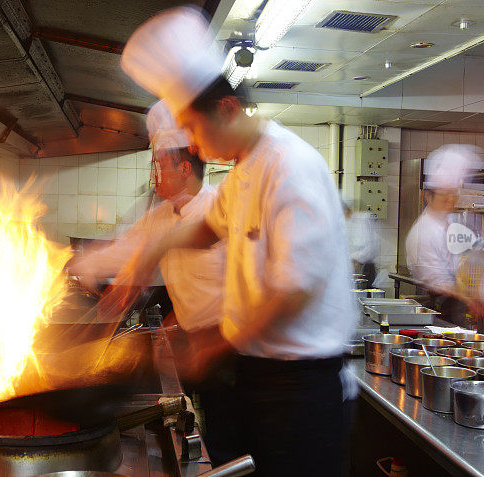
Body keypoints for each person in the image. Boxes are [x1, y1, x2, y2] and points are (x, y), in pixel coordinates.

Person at [116, 6, 357, 475]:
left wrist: (217, 343)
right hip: (261, 376)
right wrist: (154, 249)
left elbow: (293, 290)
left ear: (226, 109)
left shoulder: (290, 166)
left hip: (301, 388)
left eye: (194, 129)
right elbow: (208, 229)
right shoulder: (244, 171)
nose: (194, 145)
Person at [70, 101, 235, 463]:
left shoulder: (216, 212)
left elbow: (242, 288)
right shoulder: (160, 216)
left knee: (229, 438)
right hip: (198, 348)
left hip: (231, 351)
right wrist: (75, 263)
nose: (155, 174)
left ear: (184, 167)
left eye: (160, 165)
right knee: (210, 428)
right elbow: (127, 250)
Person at [405, 144, 479, 326]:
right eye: (444, 195)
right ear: (428, 197)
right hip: (439, 306)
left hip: (456, 302)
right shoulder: (423, 231)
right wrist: (471, 299)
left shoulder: (453, 221)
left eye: (453, 194)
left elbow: (473, 250)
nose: (450, 200)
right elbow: (436, 280)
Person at [343, 199, 379, 287]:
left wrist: (353, 258)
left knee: (362, 295)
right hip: (356, 266)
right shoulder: (348, 222)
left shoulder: (363, 219)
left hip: (365, 268)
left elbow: (370, 249)